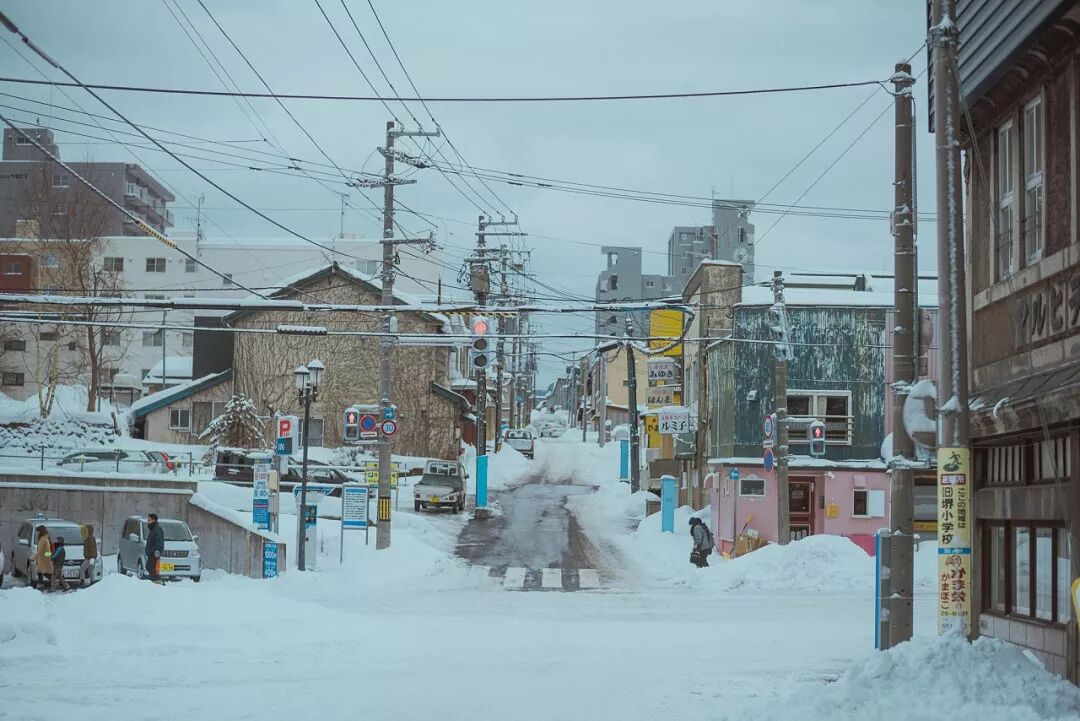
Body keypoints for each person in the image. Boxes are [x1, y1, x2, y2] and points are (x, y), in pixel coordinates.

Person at [145, 513, 165, 584]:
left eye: (149, 520)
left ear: (153, 520)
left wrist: (156, 551)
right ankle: (154, 582)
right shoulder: (153, 529)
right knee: (151, 567)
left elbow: (159, 542)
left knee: (149, 567)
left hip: (154, 553)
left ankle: (157, 581)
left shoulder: (157, 530)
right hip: (151, 552)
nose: (148, 522)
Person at [32, 525, 53, 590]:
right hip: (44, 558)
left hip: (43, 559)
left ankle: (53, 583)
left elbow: (40, 551)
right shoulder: (45, 538)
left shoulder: (43, 540)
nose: (38, 533)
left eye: (38, 532)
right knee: (40, 571)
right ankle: (41, 584)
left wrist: (33, 557)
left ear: (41, 532)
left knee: (45, 572)